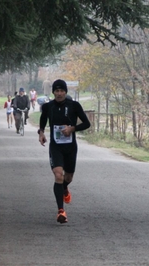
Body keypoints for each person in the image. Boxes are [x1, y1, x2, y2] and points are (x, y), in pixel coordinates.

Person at [38, 79, 90, 224]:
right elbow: (43, 120)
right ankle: (61, 211)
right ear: (53, 92)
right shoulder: (48, 107)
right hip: (56, 147)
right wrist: (41, 133)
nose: (59, 94)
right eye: (57, 91)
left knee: (68, 178)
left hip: (70, 147)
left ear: (65, 92)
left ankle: (65, 188)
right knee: (58, 174)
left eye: (62, 91)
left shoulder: (74, 105)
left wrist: (72, 129)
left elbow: (87, 123)